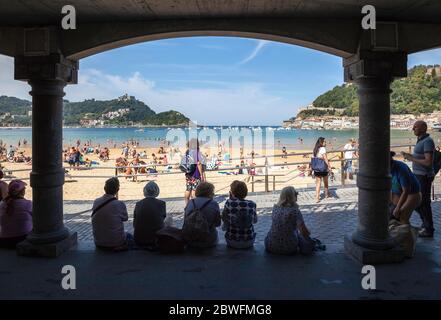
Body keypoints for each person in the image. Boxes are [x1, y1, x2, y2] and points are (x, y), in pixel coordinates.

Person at [401, 120, 435, 237]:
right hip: (418, 175)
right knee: (419, 202)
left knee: (423, 202)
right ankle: (426, 225)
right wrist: (410, 156)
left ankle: (428, 228)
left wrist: (411, 159)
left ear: (423, 128)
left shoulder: (427, 142)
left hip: (424, 176)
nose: (413, 128)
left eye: (415, 127)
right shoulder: (421, 140)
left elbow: (428, 162)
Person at [265, 186, 313, 255]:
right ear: (293, 197)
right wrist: (309, 231)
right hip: (289, 247)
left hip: (270, 245)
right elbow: (304, 232)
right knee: (300, 235)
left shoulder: (275, 208)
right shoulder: (295, 211)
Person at [91, 177, 133, 251]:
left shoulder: (96, 201)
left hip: (99, 243)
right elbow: (125, 218)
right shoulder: (119, 204)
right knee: (130, 236)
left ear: (104, 188)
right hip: (116, 242)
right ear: (117, 190)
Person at [183, 182, 221, 248]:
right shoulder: (214, 204)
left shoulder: (190, 202)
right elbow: (218, 223)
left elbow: (185, 221)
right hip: (208, 240)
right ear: (210, 193)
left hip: (190, 239)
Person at [222, 181, 257, 249]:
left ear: (232, 192)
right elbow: (255, 221)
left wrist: (231, 199)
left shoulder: (229, 203)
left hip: (231, 241)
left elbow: (224, 218)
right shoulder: (252, 204)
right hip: (248, 241)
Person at [390, 152, 422, 224]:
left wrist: (398, 208)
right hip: (398, 193)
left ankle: (406, 233)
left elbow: (406, 191)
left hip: (413, 194)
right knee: (392, 214)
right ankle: (398, 232)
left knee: (402, 215)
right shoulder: (382, 169)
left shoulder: (401, 168)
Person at [133, 181, 166, 248]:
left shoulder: (138, 204)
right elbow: (161, 220)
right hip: (156, 239)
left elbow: (134, 222)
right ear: (157, 191)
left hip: (139, 239)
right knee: (169, 219)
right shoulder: (161, 203)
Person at [0, 180, 32, 248]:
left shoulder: (2, 205)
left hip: (4, 241)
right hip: (23, 239)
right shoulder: (27, 204)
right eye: (24, 189)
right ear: (22, 192)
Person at [184, 139, 206, 204]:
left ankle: (187, 205)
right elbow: (198, 163)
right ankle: (194, 206)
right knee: (194, 191)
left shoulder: (187, 152)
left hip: (188, 174)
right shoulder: (196, 152)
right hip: (195, 175)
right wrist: (201, 175)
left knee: (188, 189)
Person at [312, 137, 332, 202]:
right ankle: (326, 194)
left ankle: (317, 197)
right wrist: (329, 166)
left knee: (318, 183)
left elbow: (316, 157)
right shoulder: (323, 148)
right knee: (325, 181)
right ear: (322, 142)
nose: (325, 143)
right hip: (323, 167)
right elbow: (325, 158)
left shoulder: (315, 149)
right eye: (324, 141)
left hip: (316, 168)